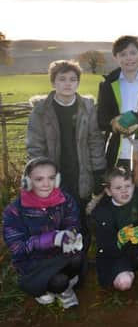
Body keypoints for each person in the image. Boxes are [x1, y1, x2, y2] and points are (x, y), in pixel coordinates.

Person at [26, 60, 106, 250]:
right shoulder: (41, 110)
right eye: (62, 79)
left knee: (81, 220)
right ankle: (62, 267)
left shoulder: (87, 107)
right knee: (57, 221)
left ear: (78, 83)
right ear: (53, 82)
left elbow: (95, 140)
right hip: (53, 176)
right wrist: (40, 175)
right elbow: (35, 146)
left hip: (81, 173)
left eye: (73, 79)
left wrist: (98, 171)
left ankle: (81, 265)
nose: (68, 83)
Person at [3, 158, 84, 308]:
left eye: (51, 178)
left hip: (59, 255)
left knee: (78, 258)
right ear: (27, 182)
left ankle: (63, 288)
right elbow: (17, 249)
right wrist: (52, 238)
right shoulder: (14, 211)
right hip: (33, 262)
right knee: (59, 282)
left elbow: (72, 223)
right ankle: (51, 288)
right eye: (39, 179)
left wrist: (70, 235)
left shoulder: (66, 200)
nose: (46, 184)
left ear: (58, 179)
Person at [97, 35, 138, 191]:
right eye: (123, 54)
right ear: (116, 58)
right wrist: (113, 124)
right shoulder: (108, 83)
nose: (129, 58)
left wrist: (133, 119)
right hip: (116, 151)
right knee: (119, 195)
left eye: (133, 53)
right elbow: (102, 117)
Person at [90, 167, 138, 304]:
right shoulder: (101, 212)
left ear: (133, 186)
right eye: (118, 188)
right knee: (124, 283)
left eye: (128, 186)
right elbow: (103, 246)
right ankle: (129, 271)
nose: (124, 191)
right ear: (108, 191)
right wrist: (118, 240)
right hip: (117, 256)